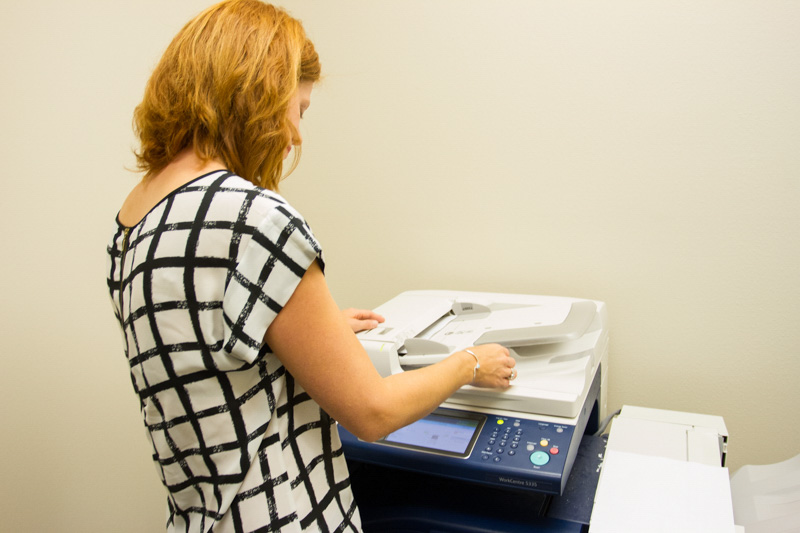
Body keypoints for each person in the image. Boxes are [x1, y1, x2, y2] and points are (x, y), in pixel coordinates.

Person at [106, 1, 517, 531]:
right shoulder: (252, 216)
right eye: (297, 108)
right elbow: (373, 413)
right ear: (256, 93)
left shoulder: (136, 214)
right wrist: (471, 363)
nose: (295, 134)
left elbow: (198, 348)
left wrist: (303, 331)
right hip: (283, 514)